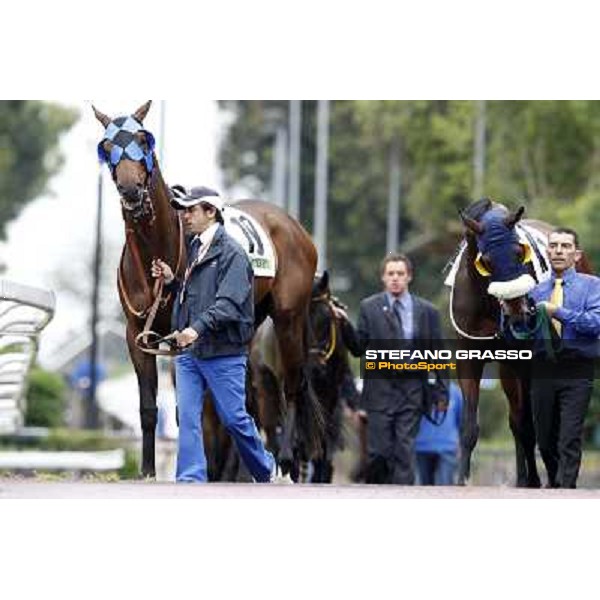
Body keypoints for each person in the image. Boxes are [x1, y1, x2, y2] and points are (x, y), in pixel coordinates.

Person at [151, 185, 280, 483]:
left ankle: (266, 470)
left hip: (224, 354)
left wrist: (193, 330)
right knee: (188, 419)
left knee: (235, 420)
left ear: (211, 212)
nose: (185, 216)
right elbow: (195, 296)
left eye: (191, 210)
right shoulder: (196, 248)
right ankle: (190, 480)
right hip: (189, 355)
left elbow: (228, 304)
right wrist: (173, 282)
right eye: (183, 210)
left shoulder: (233, 254)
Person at [333, 253, 446, 485]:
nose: (395, 278)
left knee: (404, 453)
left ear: (409, 277)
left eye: (400, 274)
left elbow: (439, 354)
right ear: (383, 278)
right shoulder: (369, 307)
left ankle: (401, 503)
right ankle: (377, 495)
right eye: (391, 274)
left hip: (412, 391)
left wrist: (441, 392)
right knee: (379, 454)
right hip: (379, 393)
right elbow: (358, 348)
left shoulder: (427, 312)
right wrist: (344, 325)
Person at [524, 227, 600, 488]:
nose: (558, 250)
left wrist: (559, 312)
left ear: (576, 254)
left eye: (565, 246)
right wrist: (510, 316)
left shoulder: (593, 286)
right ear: (547, 252)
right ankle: (557, 485)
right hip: (542, 369)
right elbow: (523, 334)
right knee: (544, 438)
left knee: (569, 437)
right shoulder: (533, 291)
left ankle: (566, 490)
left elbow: (595, 323)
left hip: (578, 369)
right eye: (554, 246)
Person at [415, 381, 463, 486]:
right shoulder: (418, 388)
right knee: (422, 492)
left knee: (444, 490)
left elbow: (461, 420)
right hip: (421, 447)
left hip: (447, 447)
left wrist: (461, 446)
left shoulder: (455, 391)